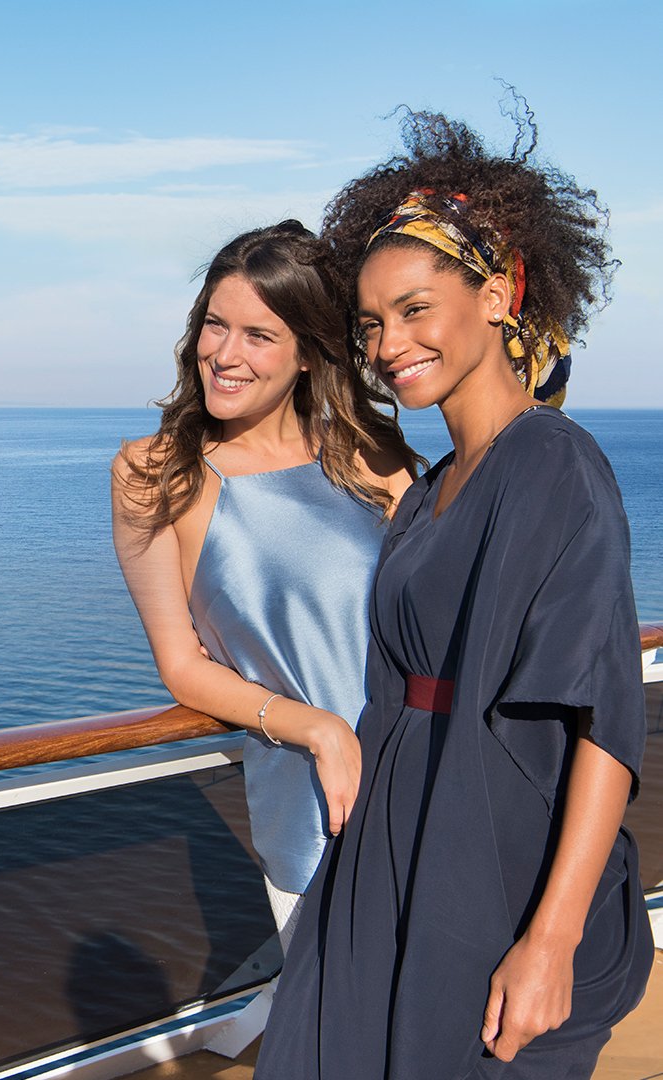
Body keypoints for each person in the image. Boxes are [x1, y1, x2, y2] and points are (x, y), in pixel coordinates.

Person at [256, 109, 652, 1079]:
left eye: (417, 308)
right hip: (399, 841)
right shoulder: (432, 487)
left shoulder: (554, 464)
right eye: (373, 323)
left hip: (496, 854)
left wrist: (550, 940)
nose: (391, 344)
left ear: (503, 291)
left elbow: (602, 715)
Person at [111, 222, 417, 1049]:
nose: (225, 353)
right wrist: (315, 726)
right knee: (348, 1034)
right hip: (315, 795)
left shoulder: (372, 456)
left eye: (258, 333)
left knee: (430, 1030)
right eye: (215, 323)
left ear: (309, 352)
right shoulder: (155, 472)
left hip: (426, 774)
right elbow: (181, 665)